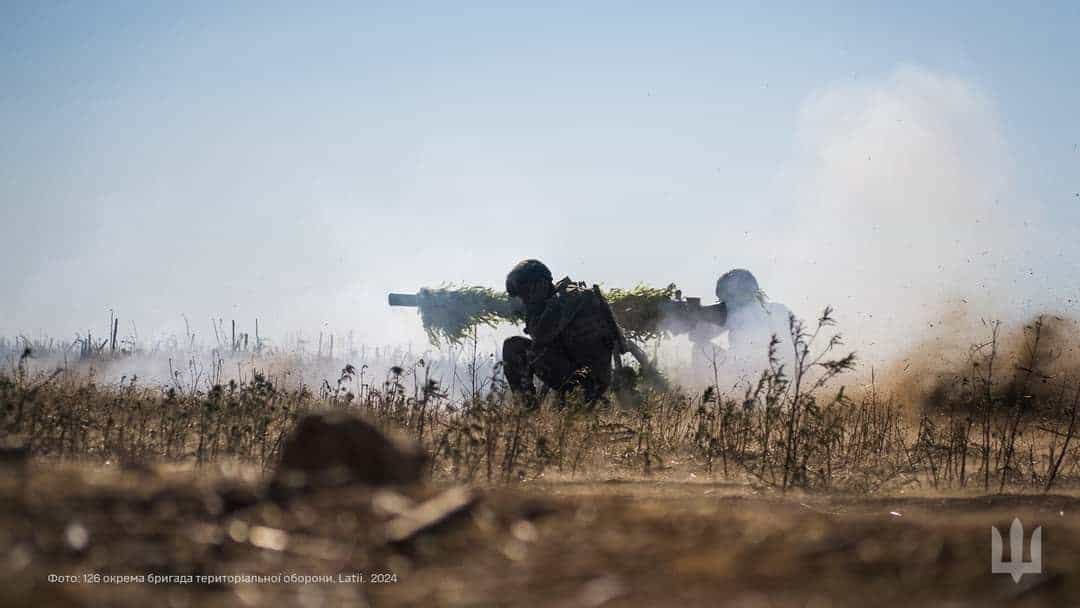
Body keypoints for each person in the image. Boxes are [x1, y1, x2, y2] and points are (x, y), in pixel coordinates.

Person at [501, 259, 620, 405]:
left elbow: (540, 338)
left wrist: (533, 312)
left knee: (513, 347)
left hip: (585, 381)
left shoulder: (563, 300)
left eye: (526, 292)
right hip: (585, 377)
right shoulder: (567, 295)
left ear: (541, 284)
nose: (525, 299)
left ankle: (526, 411)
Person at [702, 269, 793, 384]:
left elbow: (701, 338)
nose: (723, 305)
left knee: (700, 348)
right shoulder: (779, 309)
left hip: (759, 376)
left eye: (725, 300)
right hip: (782, 376)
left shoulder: (739, 315)